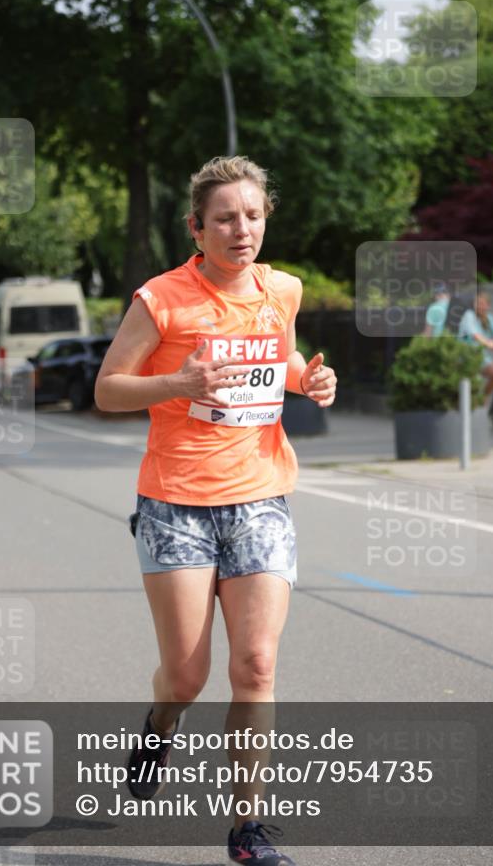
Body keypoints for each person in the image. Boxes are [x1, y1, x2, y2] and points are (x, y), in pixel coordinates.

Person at [95, 156, 337, 866]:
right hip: (175, 504)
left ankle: (245, 830)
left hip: (260, 494)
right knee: (187, 675)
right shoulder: (161, 299)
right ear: (196, 227)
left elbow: (279, 360)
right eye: (225, 218)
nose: (242, 229)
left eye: (253, 215)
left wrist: (309, 379)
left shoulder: (281, 289)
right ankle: (160, 723)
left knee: (256, 666)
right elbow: (109, 390)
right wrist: (178, 379)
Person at [458, 290, 493, 399]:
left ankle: (482, 401)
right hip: (466, 356)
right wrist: (487, 342)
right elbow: (474, 334)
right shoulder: (469, 315)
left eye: (483, 304)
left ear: (488, 305)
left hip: (480, 356)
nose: (480, 306)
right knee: (472, 385)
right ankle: (475, 404)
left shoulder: (488, 318)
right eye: (478, 303)